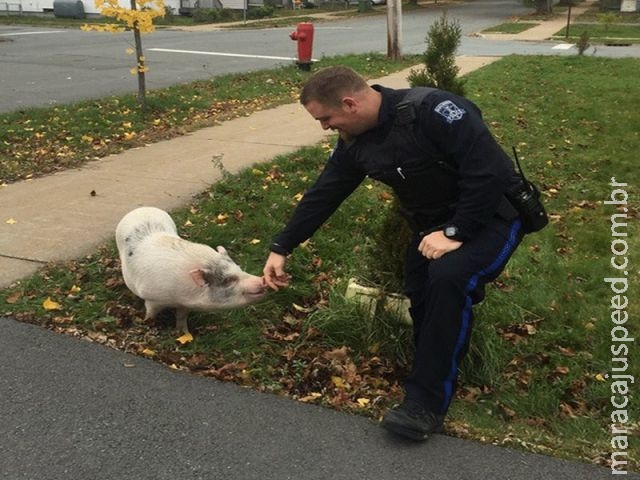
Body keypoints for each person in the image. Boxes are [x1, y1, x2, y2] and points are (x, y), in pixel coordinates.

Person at [262, 65, 525, 442]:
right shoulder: (356, 142)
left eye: (326, 119)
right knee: (421, 295)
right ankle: (436, 364)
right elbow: (325, 193)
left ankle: (425, 405)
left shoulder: (435, 110)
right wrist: (281, 246)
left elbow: (491, 172)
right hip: (431, 226)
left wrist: (456, 231)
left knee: (449, 280)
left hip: (492, 213)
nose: (324, 128)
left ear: (350, 103)